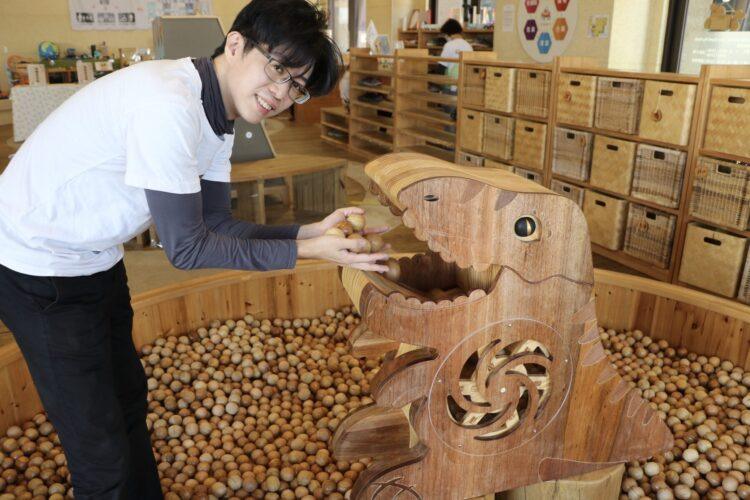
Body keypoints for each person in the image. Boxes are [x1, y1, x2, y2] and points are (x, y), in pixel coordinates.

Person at [0, 1, 388, 498]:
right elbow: (186, 248)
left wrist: (307, 233)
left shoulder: (219, 115)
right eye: (278, 70)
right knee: (98, 449)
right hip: (36, 263)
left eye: (297, 87)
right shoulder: (169, 104)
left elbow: (217, 225)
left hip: (94, 256)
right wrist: (311, 253)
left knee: (128, 400)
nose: (282, 94)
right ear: (235, 44)